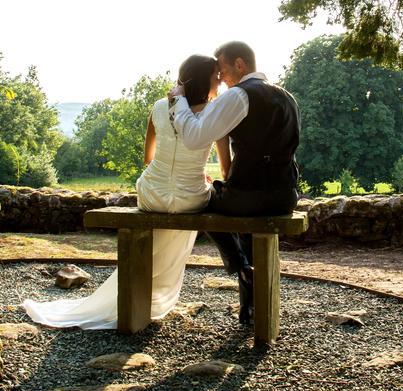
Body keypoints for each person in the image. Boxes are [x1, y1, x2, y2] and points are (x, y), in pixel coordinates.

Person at [22, 54, 229, 329]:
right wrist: (197, 173)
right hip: (190, 197)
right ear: (206, 78)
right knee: (207, 195)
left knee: (168, 196)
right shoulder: (216, 114)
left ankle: (138, 293)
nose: (221, 81)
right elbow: (226, 170)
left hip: (152, 193)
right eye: (217, 75)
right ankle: (234, 267)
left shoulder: (158, 107)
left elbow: (148, 158)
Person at [169, 41, 300, 324]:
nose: (221, 78)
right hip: (286, 195)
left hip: (249, 196)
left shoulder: (238, 95)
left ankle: (240, 266)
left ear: (239, 65)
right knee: (246, 222)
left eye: (223, 69)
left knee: (200, 199)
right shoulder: (288, 97)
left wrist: (179, 99)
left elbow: (194, 136)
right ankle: (250, 308)